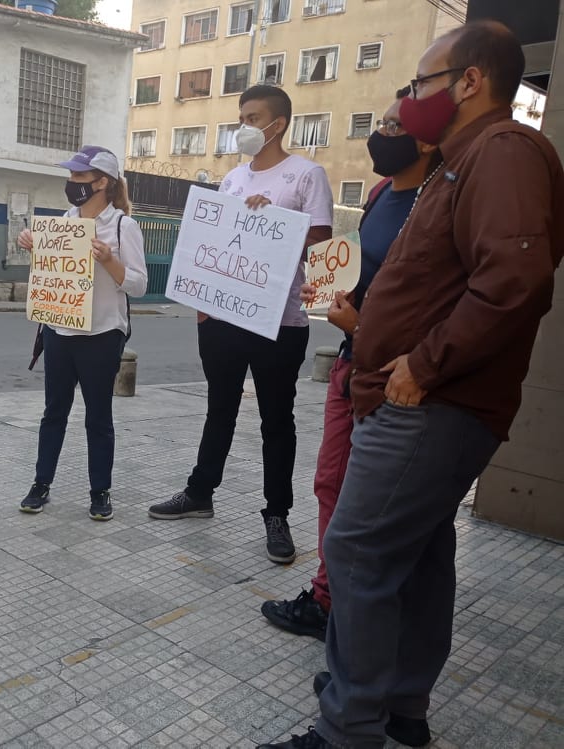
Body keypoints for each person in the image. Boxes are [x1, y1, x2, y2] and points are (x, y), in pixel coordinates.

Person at [258, 21, 564, 749]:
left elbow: (516, 277)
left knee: (358, 552)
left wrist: (422, 364)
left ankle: (347, 727)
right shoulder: (461, 163)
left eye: (420, 83)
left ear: (469, 81)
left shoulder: (502, 151)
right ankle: (399, 705)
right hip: (423, 398)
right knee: (421, 556)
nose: (408, 98)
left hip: (431, 402)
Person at [260, 88, 436, 646]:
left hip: (397, 377)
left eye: (391, 125)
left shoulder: (438, 203)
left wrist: (362, 326)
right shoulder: (383, 193)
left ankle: (357, 616)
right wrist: (335, 295)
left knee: (371, 506)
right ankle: (327, 597)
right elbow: (368, 273)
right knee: (331, 483)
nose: (379, 134)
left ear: (427, 138)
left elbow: (425, 304)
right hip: (350, 363)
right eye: (379, 123)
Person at [149, 85, 333, 564]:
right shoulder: (231, 181)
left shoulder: (306, 175)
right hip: (223, 318)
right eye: (242, 117)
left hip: (281, 320)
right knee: (219, 409)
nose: (245, 127)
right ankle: (199, 491)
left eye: (254, 118)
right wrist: (201, 304)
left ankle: (277, 513)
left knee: (277, 419)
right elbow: (209, 240)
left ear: (280, 124)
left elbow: (319, 240)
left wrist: (274, 218)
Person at [16, 145, 148, 521]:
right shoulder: (64, 219)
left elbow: (138, 285)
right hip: (60, 330)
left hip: (103, 334)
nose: (71, 183)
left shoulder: (124, 226)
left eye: (79, 177)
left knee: (98, 417)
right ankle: (41, 483)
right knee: (53, 412)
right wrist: (33, 247)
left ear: (102, 182)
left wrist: (109, 259)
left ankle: (100, 490)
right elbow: (54, 272)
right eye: (71, 177)